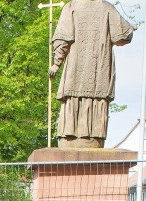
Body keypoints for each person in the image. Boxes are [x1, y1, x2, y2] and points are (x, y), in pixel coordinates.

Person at [49, 0, 135, 148]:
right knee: (95, 97)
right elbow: (125, 34)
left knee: (74, 95)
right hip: (98, 67)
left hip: (77, 68)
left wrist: (57, 63)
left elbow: (62, 40)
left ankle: (69, 137)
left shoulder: (72, 7)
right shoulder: (106, 8)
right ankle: (93, 138)